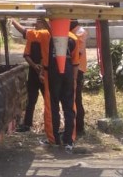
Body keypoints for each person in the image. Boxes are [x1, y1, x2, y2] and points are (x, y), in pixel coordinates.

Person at [11, 17, 80, 152]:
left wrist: (13, 21)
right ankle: (69, 140)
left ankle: (54, 139)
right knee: (69, 107)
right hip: (68, 74)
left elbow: (25, 32)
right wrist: (74, 80)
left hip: (51, 74)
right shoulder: (73, 38)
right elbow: (76, 63)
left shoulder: (44, 34)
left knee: (52, 107)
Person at [13, 17, 46, 132]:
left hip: (43, 73)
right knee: (31, 99)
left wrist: (13, 20)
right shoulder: (33, 37)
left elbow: (23, 30)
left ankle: (49, 123)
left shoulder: (44, 35)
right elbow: (26, 55)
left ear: (44, 23)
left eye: (37, 22)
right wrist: (35, 66)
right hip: (36, 72)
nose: (35, 24)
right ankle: (27, 124)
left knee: (46, 100)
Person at [70, 19, 88, 137]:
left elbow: (78, 53)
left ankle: (79, 127)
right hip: (73, 68)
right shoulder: (73, 31)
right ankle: (74, 127)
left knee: (76, 98)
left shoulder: (79, 32)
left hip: (78, 69)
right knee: (72, 98)